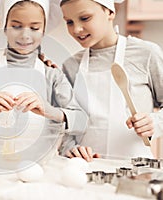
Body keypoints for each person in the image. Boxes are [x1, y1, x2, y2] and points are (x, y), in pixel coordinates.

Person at [0, 0, 88, 157]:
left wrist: (50, 111)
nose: (25, 35)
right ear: (5, 28)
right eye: (16, 26)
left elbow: (82, 121)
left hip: (42, 165)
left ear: (43, 31)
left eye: (34, 28)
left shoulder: (53, 76)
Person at [59, 0, 163, 161]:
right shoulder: (70, 66)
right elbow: (66, 125)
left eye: (85, 18)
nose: (76, 29)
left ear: (110, 12)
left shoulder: (147, 54)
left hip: (135, 171)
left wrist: (153, 123)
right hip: (87, 171)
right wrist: (71, 149)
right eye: (69, 22)